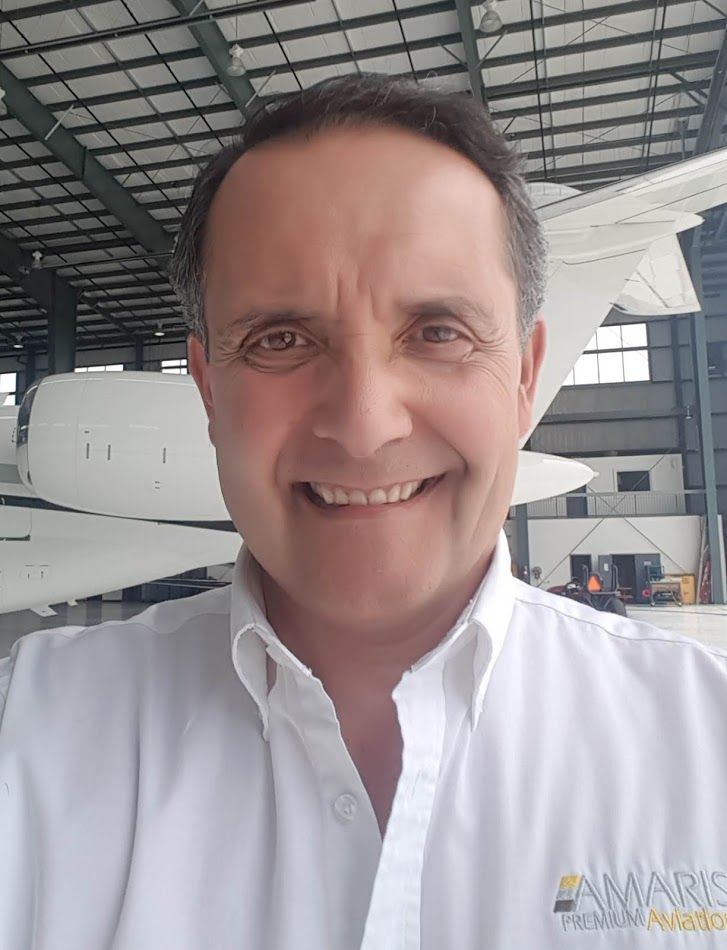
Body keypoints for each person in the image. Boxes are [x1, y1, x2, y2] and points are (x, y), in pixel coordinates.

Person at [2, 74, 727, 950]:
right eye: (280, 340)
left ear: (527, 373)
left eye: (438, 332)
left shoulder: (703, 740)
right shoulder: (32, 739)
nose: (363, 422)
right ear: (206, 386)